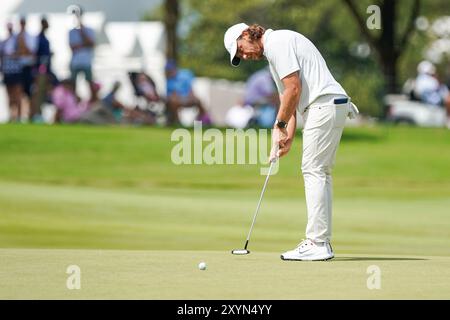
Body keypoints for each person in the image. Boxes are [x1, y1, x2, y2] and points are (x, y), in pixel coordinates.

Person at [224, 23, 359, 261]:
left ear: (246, 35)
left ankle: (317, 243)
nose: (244, 56)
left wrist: (279, 126)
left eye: (241, 50)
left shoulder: (278, 43)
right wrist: (287, 136)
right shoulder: (274, 52)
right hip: (330, 104)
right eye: (239, 56)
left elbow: (294, 89)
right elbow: (288, 98)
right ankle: (321, 241)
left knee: (313, 170)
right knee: (320, 172)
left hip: (323, 104)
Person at [165, 60, 211, 125]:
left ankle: (202, 120)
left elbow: (191, 86)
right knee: (172, 103)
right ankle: (177, 121)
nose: (169, 72)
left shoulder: (185, 74)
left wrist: (191, 95)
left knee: (198, 101)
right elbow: (172, 94)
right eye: (168, 71)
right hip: (178, 99)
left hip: (188, 97)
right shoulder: (169, 81)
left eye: (170, 70)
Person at [68, 6, 95, 99]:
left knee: (90, 84)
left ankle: (93, 102)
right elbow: (72, 47)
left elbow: (91, 44)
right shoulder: (71, 32)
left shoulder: (89, 30)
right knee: (73, 84)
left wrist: (82, 32)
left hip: (86, 62)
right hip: (75, 62)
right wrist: (84, 44)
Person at [0, 22, 24, 122]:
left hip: (16, 71)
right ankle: (11, 115)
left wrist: (13, 55)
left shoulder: (17, 40)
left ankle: (18, 116)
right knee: (9, 95)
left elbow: (22, 52)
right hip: (7, 71)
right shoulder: (4, 42)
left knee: (17, 94)